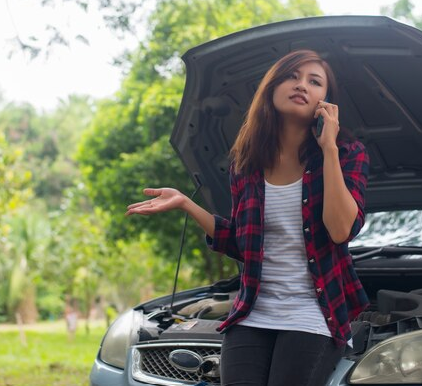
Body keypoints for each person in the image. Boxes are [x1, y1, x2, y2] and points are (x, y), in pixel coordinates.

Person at [127, 49, 370, 386]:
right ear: (271, 88)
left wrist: (328, 147)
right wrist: (186, 204)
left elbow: (340, 229)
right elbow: (243, 243)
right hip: (253, 311)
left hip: (314, 314)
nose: (301, 85)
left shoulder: (347, 154)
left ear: (325, 101)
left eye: (314, 82)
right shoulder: (246, 162)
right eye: (292, 76)